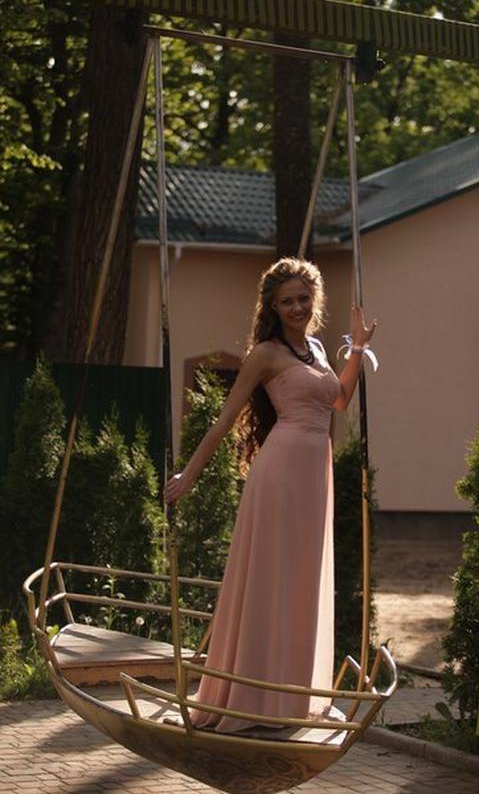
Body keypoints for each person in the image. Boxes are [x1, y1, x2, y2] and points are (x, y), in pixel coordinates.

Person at [165, 257, 376, 732]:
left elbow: (339, 400)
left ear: (315, 300)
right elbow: (226, 418)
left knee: (301, 580)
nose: (297, 307)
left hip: (314, 476)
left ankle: (289, 695)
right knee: (272, 577)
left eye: (303, 298)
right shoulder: (265, 353)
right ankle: (253, 696)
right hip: (281, 473)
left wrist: (358, 349)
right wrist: (189, 474)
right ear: (273, 307)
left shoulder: (317, 349)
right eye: (287, 301)